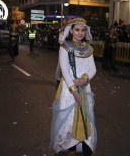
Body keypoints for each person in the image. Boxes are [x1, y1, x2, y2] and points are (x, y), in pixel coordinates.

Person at [50, 17, 97, 156]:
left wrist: (83, 79)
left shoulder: (88, 48)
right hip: (69, 90)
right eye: (77, 30)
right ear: (71, 30)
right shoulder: (65, 47)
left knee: (86, 116)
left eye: (83, 30)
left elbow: (93, 69)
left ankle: (83, 144)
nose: (80, 33)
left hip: (85, 88)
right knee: (68, 118)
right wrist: (74, 92)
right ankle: (68, 145)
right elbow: (65, 70)